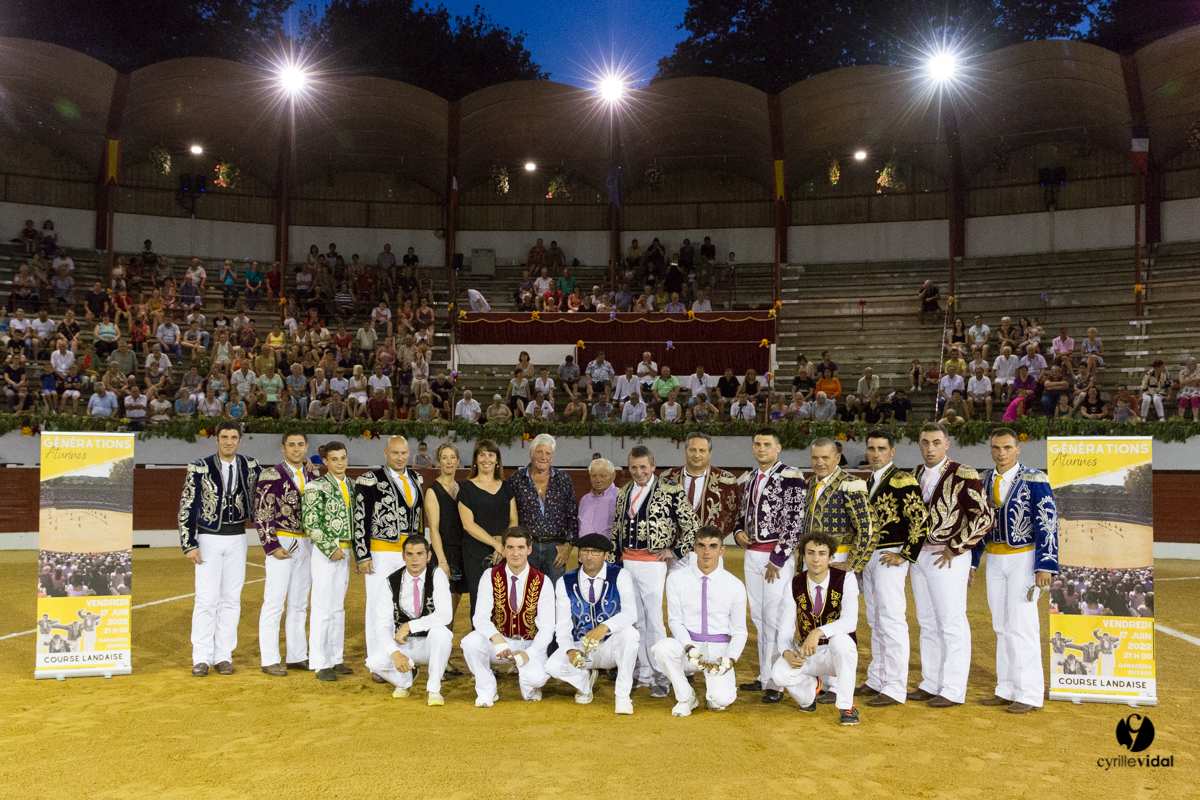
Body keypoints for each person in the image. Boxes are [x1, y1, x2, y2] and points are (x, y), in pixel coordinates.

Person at [971, 429, 1059, 714]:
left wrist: (1045, 564)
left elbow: (1047, 520)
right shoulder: (984, 479)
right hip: (995, 560)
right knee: (1001, 625)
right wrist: (973, 562)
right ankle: (1006, 688)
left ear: (1018, 449)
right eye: (996, 448)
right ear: (990, 448)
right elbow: (978, 525)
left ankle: (1030, 693)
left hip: (1024, 557)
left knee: (1023, 625)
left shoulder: (1035, 479)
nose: (1001, 453)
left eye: (1007, 447)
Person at [908, 423, 993, 707]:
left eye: (935, 442)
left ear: (946, 445)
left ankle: (953, 690)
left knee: (952, 622)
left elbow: (983, 518)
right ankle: (931, 682)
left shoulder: (964, 473)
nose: (929, 448)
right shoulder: (915, 474)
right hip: (920, 557)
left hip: (948, 557)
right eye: (924, 442)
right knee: (927, 622)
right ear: (919, 445)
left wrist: (956, 548)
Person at [611, 445, 700, 697]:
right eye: (633, 467)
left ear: (653, 465)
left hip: (652, 563)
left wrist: (676, 550)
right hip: (627, 561)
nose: (638, 472)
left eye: (643, 467)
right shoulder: (623, 492)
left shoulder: (671, 489)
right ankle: (644, 672)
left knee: (654, 619)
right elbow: (616, 530)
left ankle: (662, 674)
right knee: (635, 618)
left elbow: (692, 525)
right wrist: (615, 560)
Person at [178, 420, 261, 676]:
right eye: (224, 437)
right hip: (208, 538)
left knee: (231, 599)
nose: (228, 441)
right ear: (216, 439)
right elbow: (187, 504)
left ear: (240, 440)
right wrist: (188, 543)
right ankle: (201, 657)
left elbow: (274, 483)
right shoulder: (200, 467)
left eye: (233, 437)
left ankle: (223, 656)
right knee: (206, 599)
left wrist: (307, 466)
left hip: (237, 537)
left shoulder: (251, 465)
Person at [731, 429, 808, 703]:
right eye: (757, 444)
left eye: (766, 444)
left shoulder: (792, 476)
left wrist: (780, 556)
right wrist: (739, 531)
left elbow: (795, 519)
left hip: (776, 557)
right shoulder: (750, 477)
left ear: (778, 447)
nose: (761, 448)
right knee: (760, 618)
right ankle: (765, 676)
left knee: (776, 618)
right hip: (752, 554)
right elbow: (742, 513)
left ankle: (776, 682)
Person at [857, 429, 929, 707]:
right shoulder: (868, 481)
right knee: (875, 618)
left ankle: (895, 687)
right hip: (870, 557)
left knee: (891, 619)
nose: (876, 454)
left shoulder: (902, 479)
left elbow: (920, 519)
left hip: (890, 554)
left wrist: (906, 555)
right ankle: (878, 677)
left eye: (881, 449)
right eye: (872, 448)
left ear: (892, 451)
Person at [652, 526, 748, 716]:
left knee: (720, 700)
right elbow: (675, 622)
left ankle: (714, 694)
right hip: (689, 646)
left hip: (718, 650)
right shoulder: (676, 580)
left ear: (722, 550)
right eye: (701, 545)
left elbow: (739, 631)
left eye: (713, 546)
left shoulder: (735, 585)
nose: (706, 552)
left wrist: (731, 659)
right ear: (694, 548)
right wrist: (688, 647)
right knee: (662, 649)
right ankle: (686, 696)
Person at [353, 436, 426, 680]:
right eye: (395, 453)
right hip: (381, 551)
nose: (400, 457)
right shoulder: (370, 479)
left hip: (409, 554)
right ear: (385, 453)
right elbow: (360, 518)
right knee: (378, 606)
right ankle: (378, 662)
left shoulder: (416, 478)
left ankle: (400, 657)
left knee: (405, 605)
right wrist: (362, 555)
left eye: (404, 453)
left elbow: (420, 520)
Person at [772, 531, 861, 725]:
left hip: (837, 654)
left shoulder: (846, 579)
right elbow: (785, 629)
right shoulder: (794, 584)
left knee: (842, 641)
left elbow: (850, 622)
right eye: (811, 553)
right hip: (809, 653)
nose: (816, 559)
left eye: (822, 553)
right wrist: (786, 651)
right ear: (803, 556)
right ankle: (808, 694)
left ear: (831, 558)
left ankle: (846, 706)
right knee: (779, 673)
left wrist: (818, 631)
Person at [546, 534, 639, 714]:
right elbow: (563, 624)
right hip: (581, 648)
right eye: (585, 551)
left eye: (595, 552)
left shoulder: (620, 575)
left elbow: (631, 613)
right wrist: (568, 649)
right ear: (579, 554)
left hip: (611, 647)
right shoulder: (565, 581)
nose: (589, 556)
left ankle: (622, 695)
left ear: (606, 555)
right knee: (552, 666)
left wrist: (605, 627)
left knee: (630, 634)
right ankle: (584, 682)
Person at [460, 527, 554, 706]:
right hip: (501, 641)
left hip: (529, 643)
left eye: (520, 547)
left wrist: (528, 654)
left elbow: (547, 628)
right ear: (503, 549)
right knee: (470, 642)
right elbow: (479, 617)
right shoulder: (490, 576)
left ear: (529, 549)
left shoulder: (543, 581)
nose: (515, 553)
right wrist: (496, 638)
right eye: (510, 547)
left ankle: (529, 683)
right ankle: (487, 690)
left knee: (536, 679)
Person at [253, 433, 321, 676]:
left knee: (299, 603)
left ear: (307, 447)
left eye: (300, 445)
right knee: (274, 602)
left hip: (307, 544)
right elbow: (262, 512)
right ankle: (270, 658)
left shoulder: (314, 474)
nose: (296, 449)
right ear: (283, 448)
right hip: (282, 540)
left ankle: (296, 655)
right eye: (291, 445)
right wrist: (271, 545)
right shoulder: (270, 474)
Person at [368, 535, 454, 705]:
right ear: (403, 556)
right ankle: (404, 681)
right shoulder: (391, 582)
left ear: (428, 556)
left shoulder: (437, 575)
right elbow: (381, 625)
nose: (415, 559)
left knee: (442, 633)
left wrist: (409, 625)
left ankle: (434, 689)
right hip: (405, 646)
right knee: (374, 662)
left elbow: (445, 615)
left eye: (420, 554)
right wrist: (396, 654)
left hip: (431, 643)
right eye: (410, 554)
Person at [301, 441, 356, 681]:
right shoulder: (315, 487)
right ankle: (320, 662)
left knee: (338, 608)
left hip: (345, 553)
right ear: (325, 462)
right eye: (334, 459)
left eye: (343, 458)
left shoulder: (353, 486)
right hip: (326, 554)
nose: (340, 463)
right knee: (322, 607)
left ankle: (336, 659)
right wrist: (329, 548)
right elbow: (311, 522)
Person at [457, 440, 518, 617]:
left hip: (505, 551)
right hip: (476, 552)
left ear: (497, 460)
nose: (486, 459)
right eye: (482, 454)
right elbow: (468, 524)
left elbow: (513, 518)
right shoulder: (466, 488)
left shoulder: (507, 487)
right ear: (475, 459)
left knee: (505, 596)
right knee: (480, 597)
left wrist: (504, 543)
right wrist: (496, 544)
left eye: (491, 455)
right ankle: (479, 641)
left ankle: (504, 640)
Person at [509, 433, 579, 582]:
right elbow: (509, 515)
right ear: (531, 454)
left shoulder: (564, 479)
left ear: (552, 457)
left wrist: (568, 545)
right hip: (526, 548)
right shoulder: (516, 480)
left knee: (553, 597)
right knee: (527, 595)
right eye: (539, 452)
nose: (543, 457)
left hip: (556, 549)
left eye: (548, 453)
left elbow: (572, 515)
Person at [424, 444, 467, 660]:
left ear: (458, 461)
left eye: (453, 457)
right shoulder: (433, 491)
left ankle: (444, 657)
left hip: (461, 554)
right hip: (444, 555)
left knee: (454, 605)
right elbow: (433, 529)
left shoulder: (462, 489)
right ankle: (439, 659)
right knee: (444, 610)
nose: (449, 462)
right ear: (438, 462)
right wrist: (442, 561)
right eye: (444, 457)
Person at [660, 431, 739, 540]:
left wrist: (713, 540)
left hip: (710, 551)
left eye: (702, 450)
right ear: (685, 451)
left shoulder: (726, 480)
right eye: (692, 450)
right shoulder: (667, 478)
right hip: (674, 550)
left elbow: (731, 516)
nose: (697, 455)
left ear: (710, 453)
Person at [577, 458, 618, 541]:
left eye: (602, 476)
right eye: (594, 476)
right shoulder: (584, 500)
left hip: (608, 550)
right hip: (584, 549)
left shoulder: (620, 497)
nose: (598, 480)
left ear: (613, 476)